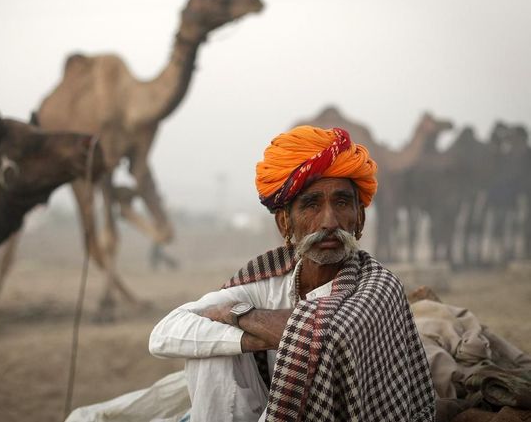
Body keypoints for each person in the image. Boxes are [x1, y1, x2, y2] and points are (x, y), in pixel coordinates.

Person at [149, 125, 435, 421]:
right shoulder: (268, 281)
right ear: (285, 223)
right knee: (213, 353)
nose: (329, 221)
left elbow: (331, 339)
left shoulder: (377, 289)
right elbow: (162, 335)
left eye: (341, 203)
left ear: (359, 218)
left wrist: (242, 318)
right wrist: (264, 337)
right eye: (311, 204)